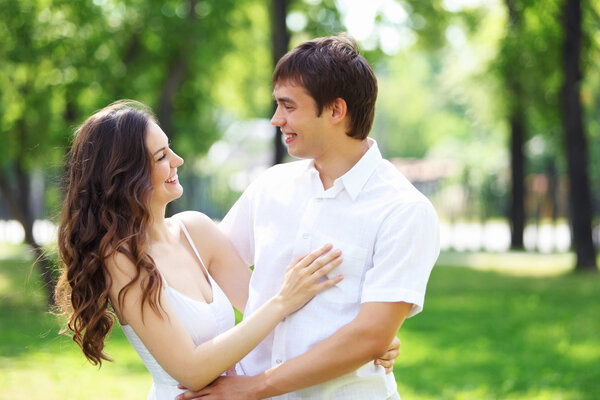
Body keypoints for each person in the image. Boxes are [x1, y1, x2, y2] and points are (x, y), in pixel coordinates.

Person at [178, 34, 440, 400]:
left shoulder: (403, 210)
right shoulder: (271, 186)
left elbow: (369, 336)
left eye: (288, 107)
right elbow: (215, 271)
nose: (275, 119)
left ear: (335, 110)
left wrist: (372, 334)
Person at [54, 100, 349, 400]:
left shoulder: (195, 230)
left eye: (170, 148)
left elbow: (269, 313)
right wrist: (283, 300)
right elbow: (192, 371)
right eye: (161, 156)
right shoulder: (121, 261)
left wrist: (353, 341)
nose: (178, 160)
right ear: (126, 176)